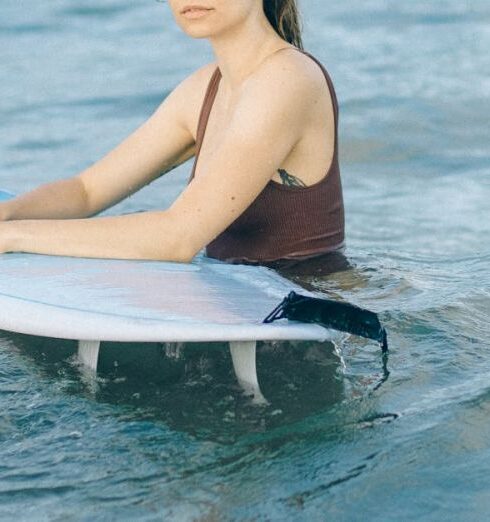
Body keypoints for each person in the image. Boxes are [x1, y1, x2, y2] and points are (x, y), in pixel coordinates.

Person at [0, 0, 345, 269]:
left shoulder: (287, 79)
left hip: (309, 322)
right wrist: (9, 213)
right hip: (242, 312)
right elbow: (87, 191)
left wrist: (12, 236)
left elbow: (178, 237)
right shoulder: (205, 88)